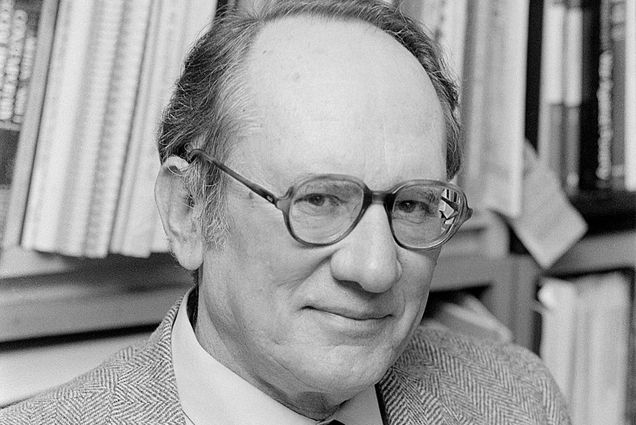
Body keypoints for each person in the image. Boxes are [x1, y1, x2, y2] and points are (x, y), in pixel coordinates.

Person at [0, 0, 571, 423]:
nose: (376, 270)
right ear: (189, 211)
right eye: (318, 200)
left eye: (413, 204)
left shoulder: (516, 398)